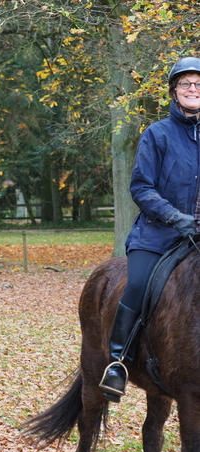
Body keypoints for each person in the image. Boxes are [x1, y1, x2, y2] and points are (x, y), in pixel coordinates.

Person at [98, 57, 200, 402]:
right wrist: (174, 217)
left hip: (198, 235)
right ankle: (118, 362)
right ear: (174, 91)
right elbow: (142, 188)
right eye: (186, 84)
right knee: (138, 285)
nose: (193, 90)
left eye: (198, 84)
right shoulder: (157, 134)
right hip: (158, 234)